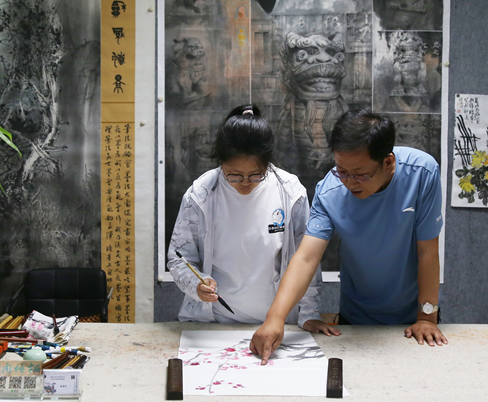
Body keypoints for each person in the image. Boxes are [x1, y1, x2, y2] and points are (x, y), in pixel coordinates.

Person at [251, 108, 446, 363]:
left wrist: (427, 317)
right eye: (341, 170)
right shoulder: (329, 192)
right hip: (355, 320)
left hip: (414, 320)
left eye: (360, 174)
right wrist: (275, 318)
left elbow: (427, 251)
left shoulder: (422, 173)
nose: (349, 182)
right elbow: (306, 258)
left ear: (388, 162)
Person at [168, 105, 338, 334]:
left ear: (268, 163)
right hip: (213, 324)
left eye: (256, 175)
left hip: (277, 325)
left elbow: (306, 259)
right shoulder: (201, 194)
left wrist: (309, 313)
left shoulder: (289, 192)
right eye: (234, 175)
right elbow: (179, 258)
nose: (245, 182)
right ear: (221, 163)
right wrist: (196, 284)